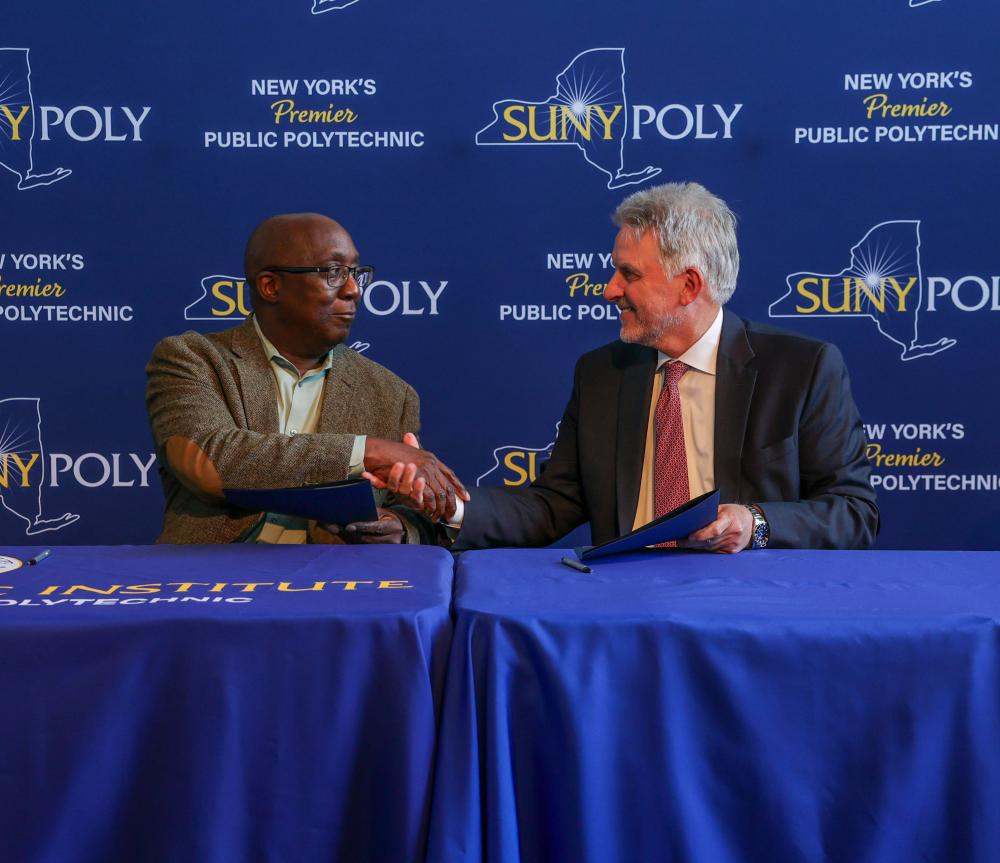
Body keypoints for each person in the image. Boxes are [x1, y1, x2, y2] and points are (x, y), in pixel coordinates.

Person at [377, 182, 878, 551]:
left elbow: (853, 512)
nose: (609, 289)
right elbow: (551, 506)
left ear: (689, 286)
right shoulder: (603, 374)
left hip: (749, 604)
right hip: (624, 607)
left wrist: (755, 523)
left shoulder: (802, 369)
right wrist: (448, 503)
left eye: (629, 274)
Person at [145, 212, 467, 544]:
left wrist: (399, 526)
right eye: (333, 272)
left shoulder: (391, 393)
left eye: (356, 273)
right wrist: (366, 451)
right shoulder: (192, 359)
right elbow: (212, 464)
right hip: (213, 570)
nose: (354, 290)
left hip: (336, 571)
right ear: (271, 286)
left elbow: (406, 509)